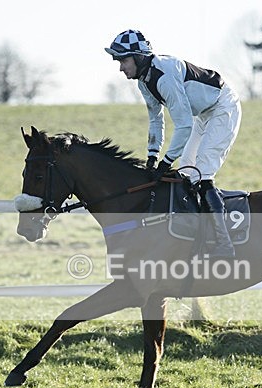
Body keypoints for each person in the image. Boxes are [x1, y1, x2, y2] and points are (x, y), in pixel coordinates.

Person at [105, 29, 241, 258]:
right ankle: (196, 236)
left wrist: (166, 162)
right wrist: (152, 156)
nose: (121, 68)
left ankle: (224, 243)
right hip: (203, 114)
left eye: (124, 60)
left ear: (138, 57)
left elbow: (184, 126)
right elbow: (155, 120)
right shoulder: (144, 81)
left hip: (223, 107)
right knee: (187, 172)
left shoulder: (164, 77)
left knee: (203, 172)